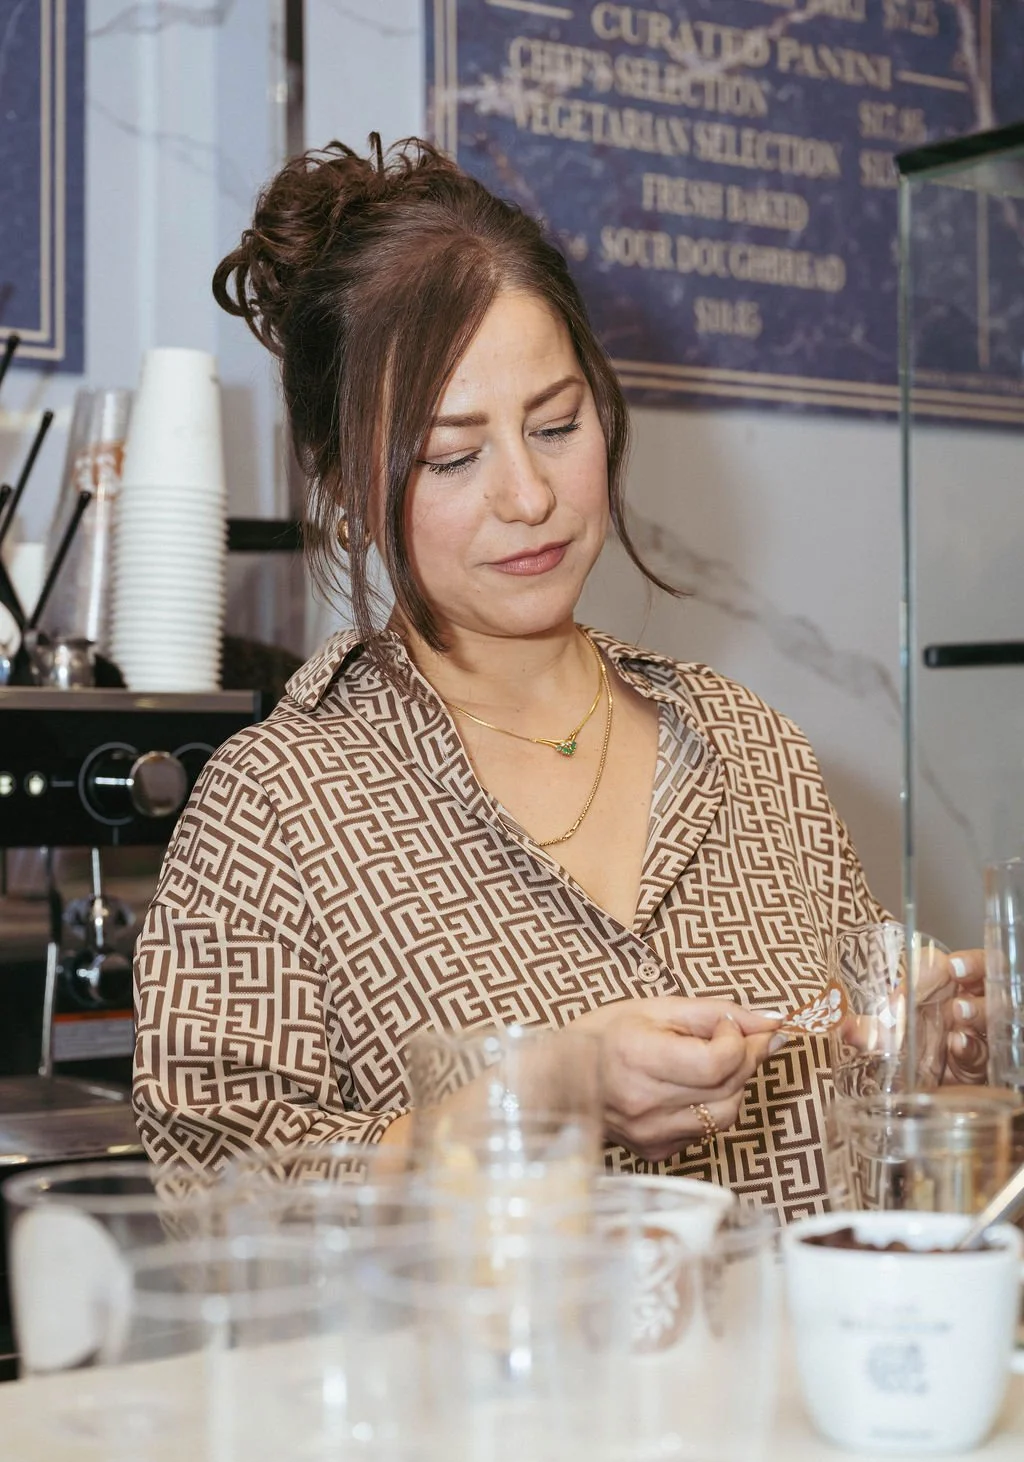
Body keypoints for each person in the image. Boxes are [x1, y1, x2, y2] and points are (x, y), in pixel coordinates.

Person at [132, 136, 987, 1220]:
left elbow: (870, 1153)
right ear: (348, 483)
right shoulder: (281, 809)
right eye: (453, 455)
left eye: (555, 424)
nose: (528, 495)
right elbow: (207, 1212)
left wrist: (939, 1069)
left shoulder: (747, 747)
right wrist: (535, 1099)